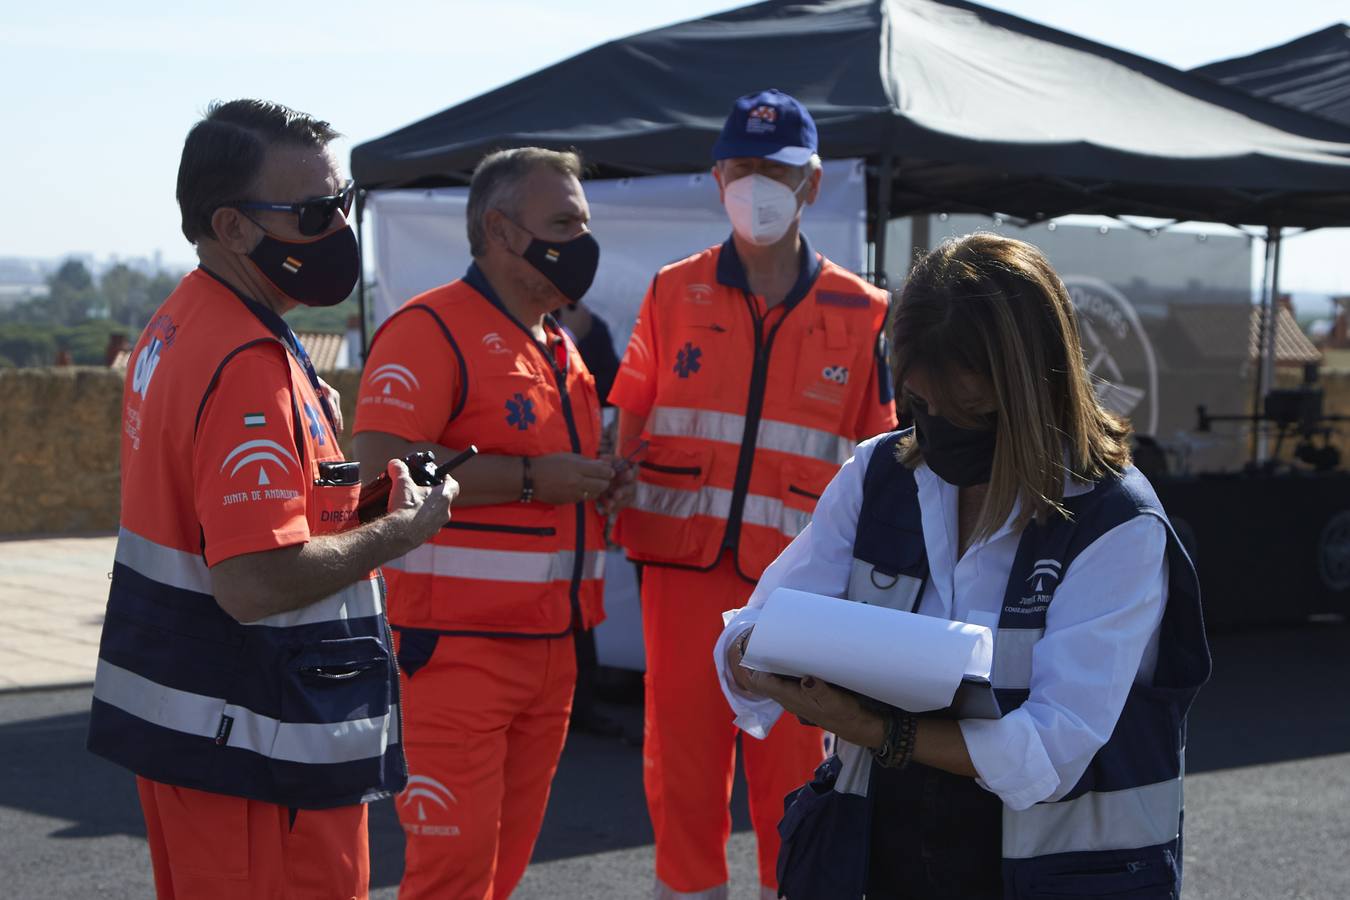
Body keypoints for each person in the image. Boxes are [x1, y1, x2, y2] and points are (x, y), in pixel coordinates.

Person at [716, 233, 1212, 899]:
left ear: (1036, 392)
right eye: (921, 406)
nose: (941, 430)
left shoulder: (1114, 522)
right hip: (882, 859)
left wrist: (878, 731)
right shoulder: (878, 476)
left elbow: (1049, 754)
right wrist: (752, 652)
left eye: (971, 412)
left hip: (1055, 877)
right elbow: (755, 625)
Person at [86, 99, 456, 900]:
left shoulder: (185, 323)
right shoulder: (246, 358)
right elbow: (253, 580)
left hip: (208, 732)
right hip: (256, 743)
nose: (338, 228)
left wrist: (367, 496)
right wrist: (399, 532)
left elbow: (257, 505)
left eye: (343, 204)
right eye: (316, 211)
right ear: (234, 226)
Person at [609, 88, 898, 900]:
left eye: (775, 170)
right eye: (742, 168)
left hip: (801, 588)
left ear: (811, 182)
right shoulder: (673, 291)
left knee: (795, 771)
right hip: (682, 572)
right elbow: (625, 417)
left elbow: (884, 456)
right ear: (716, 176)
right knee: (683, 769)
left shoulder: (863, 311)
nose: (756, 186)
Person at [352, 147, 630, 900]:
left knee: (499, 874)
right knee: (452, 874)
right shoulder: (430, 329)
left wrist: (593, 482)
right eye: (564, 222)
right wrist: (535, 480)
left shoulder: (560, 345)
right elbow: (379, 473)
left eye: (584, 222)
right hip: (456, 657)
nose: (582, 240)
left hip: (551, 652)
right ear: (502, 231)